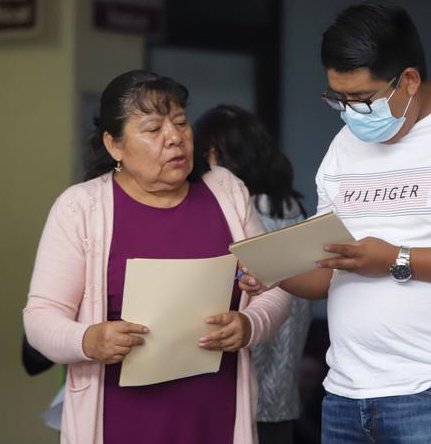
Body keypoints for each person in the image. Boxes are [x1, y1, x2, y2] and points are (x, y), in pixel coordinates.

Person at [241, 1, 431, 443]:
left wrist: (395, 259)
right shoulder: (344, 145)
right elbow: (326, 271)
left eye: (363, 99)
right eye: (338, 99)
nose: (350, 113)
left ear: (409, 79)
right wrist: (275, 273)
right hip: (346, 392)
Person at [23, 70, 290, 444]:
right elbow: (39, 319)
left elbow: (274, 286)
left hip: (216, 414)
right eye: (153, 129)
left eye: (181, 122)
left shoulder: (225, 190)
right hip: (120, 419)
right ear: (114, 145)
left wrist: (249, 324)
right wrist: (88, 340)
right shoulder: (80, 208)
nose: (175, 137)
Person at [194, 104, 312, 444]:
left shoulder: (233, 225)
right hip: (283, 405)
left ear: (213, 155)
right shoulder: (298, 219)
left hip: (236, 402)